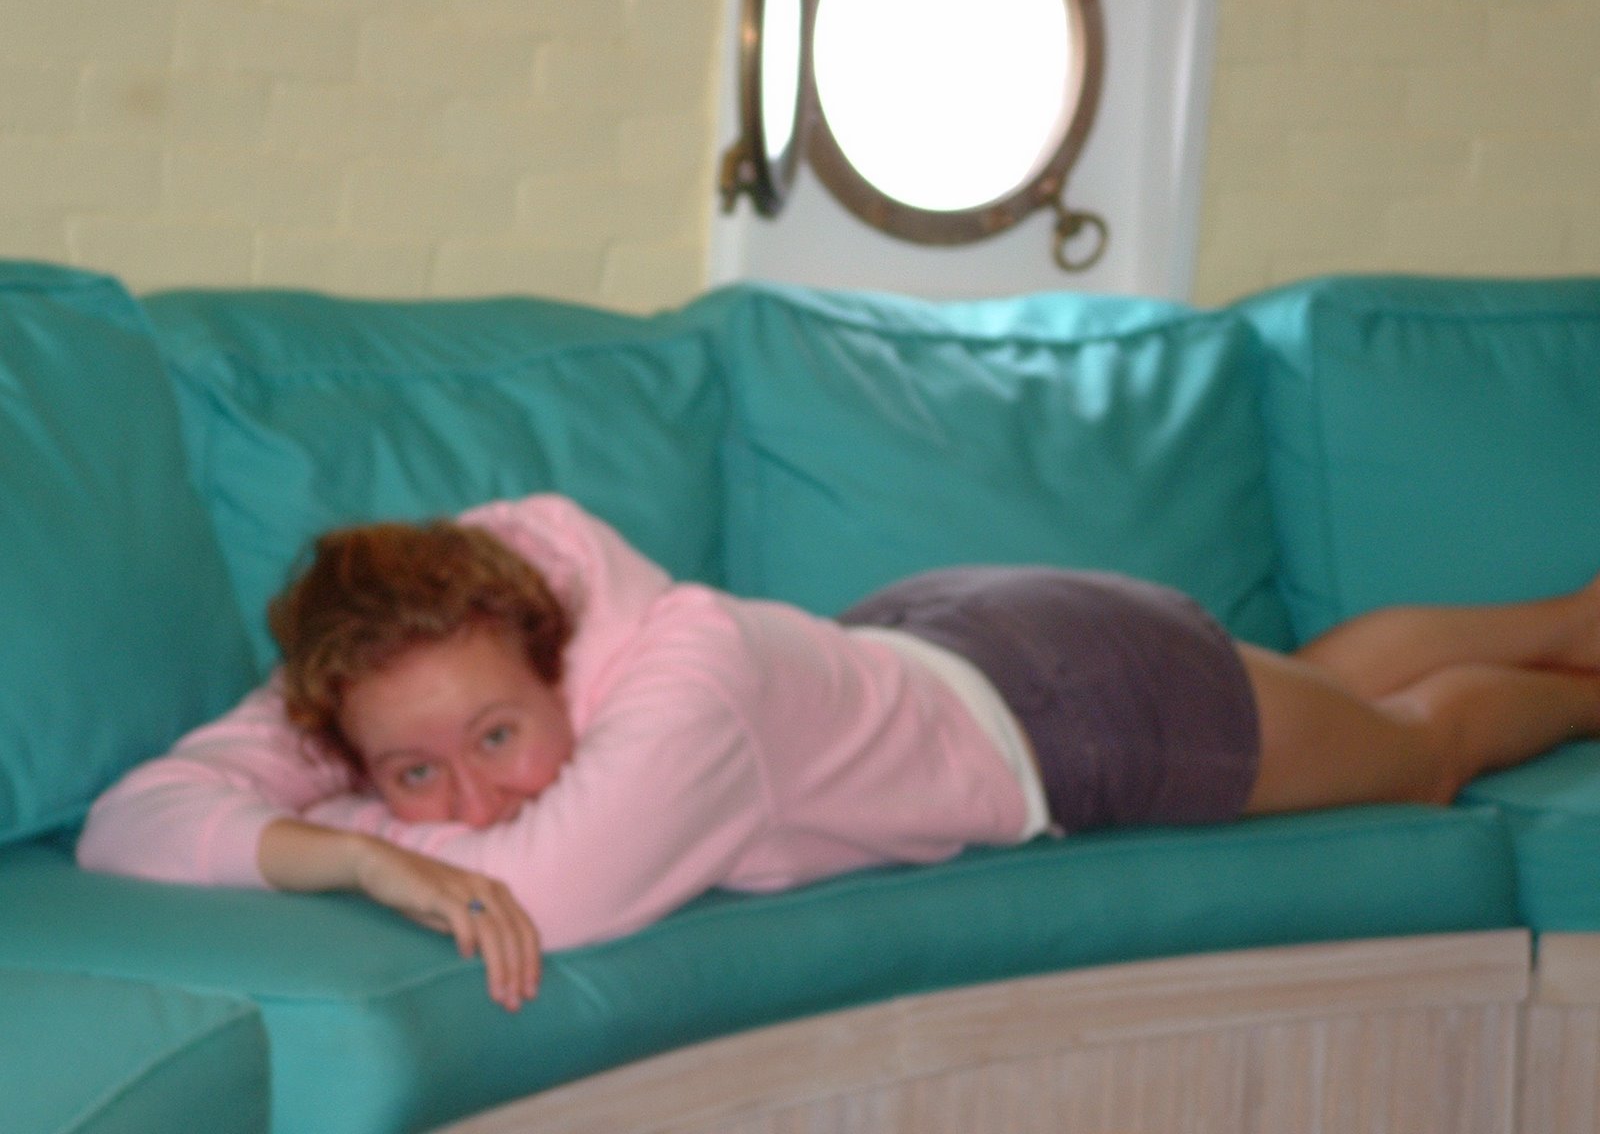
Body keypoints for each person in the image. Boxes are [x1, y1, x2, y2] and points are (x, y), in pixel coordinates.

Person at [78, 493, 1600, 1013]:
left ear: (558, 661)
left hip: (1080, 705)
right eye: (412, 772)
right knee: (1325, 691)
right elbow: (131, 821)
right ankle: (1573, 611)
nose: (470, 799)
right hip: (953, 632)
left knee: (1413, 752)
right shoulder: (443, 643)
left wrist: (387, 828)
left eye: (496, 737)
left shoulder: (693, 679)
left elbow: (565, 886)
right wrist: (350, 843)